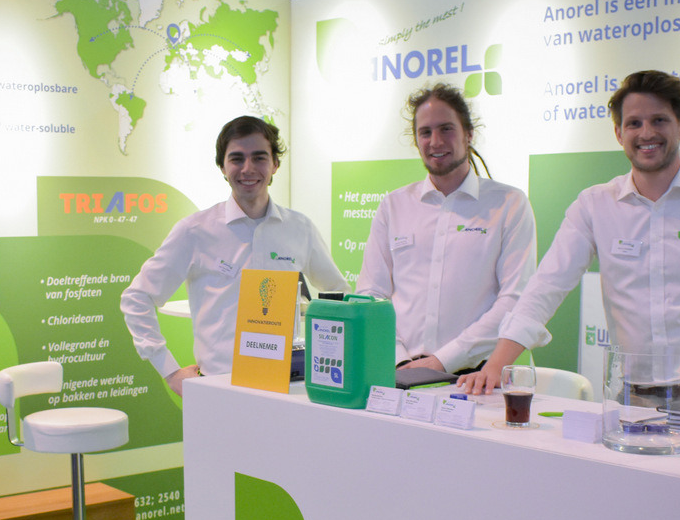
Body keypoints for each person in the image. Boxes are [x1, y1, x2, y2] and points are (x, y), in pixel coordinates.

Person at [459, 70, 680, 401]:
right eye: (634, 123)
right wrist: (495, 366)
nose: (646, 133)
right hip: (633, 399)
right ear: (619, 133)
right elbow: (545, 289)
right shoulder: (595, 205)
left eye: (659, 120)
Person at [121, 115, 348, 395]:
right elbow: (137, 297)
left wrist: (327, 357)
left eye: (259, 157)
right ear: (223, 167)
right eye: (237, 159)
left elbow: (339, 294)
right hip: (218, 387)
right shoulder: (195, 231)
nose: (247, 169)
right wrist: (169, 370)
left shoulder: (299, 228)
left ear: (275, 164)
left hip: (287, 388)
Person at [356, 83, 537, 374]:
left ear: (469, 133)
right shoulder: (393, 206)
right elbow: (371, 294)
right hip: (399, 370)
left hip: (477, 376)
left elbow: (515, 299)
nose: (435, 141)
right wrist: (400, 359)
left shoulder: (509, 204)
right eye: (425, 132)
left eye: (446, 129)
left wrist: (443, 361)